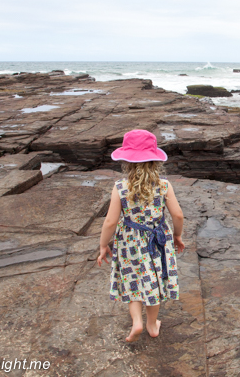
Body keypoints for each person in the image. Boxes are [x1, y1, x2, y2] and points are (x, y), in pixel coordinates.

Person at [98, 129, 185, 342]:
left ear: (127, 161)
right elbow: (178, 214)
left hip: (129, 240)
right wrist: (177, 236)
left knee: (132, 278)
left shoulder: (120, 187)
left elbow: (110, 221)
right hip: (157, 239)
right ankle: (152, 325)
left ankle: (137, 322)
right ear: (155, 161)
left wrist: (103, 245)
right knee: (154, 279)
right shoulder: (164, 185)